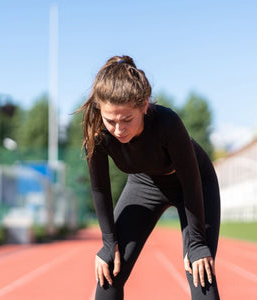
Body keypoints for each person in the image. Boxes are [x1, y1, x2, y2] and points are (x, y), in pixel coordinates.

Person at [79, 55, 221, 300]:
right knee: (109, 273)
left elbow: (191, 181)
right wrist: (107, 242)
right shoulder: (97, 132)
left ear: (144, 106)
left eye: (127, 119)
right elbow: (100, 188)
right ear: (100, 110)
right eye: (110, 120)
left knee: (200, 272)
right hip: (144, 183)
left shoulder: (168, 123)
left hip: (193, 183)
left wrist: (197, 243)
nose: (119, 129)